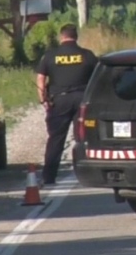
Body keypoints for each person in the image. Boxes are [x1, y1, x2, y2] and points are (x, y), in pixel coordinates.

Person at [35, 23, 98, 186]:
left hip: (59, 101)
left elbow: (41, 78)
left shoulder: (50, 56)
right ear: (76, 36)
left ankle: (49, 177)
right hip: (82, 101)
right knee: (85, 138)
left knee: (56, 139)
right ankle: (90, 176)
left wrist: (43, 99)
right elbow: (98, 78)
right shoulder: (87, 55)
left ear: (61, 37)